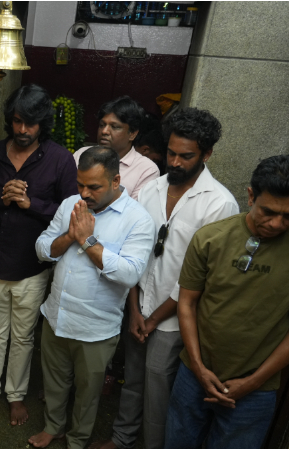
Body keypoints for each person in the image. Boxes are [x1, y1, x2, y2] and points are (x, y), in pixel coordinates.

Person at [92, 108, 239, 449]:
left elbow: (200, 278)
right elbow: (136, 252)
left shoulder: (219, 205)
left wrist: (155, 318)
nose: (174, 161)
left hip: (173, 319)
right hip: (139, 305)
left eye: (185, 156)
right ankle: (122, 439)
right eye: (171, 152)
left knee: (159, 391)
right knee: (132, 380)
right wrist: (135, 311)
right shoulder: (151, 189)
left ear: (207, 154)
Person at [165, 155, 289, 448]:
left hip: (256, 391)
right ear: (251, 195)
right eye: (268, 211)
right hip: (193, 375)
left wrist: (252, 383)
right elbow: (187, 303)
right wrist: (198, 366)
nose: (277, 223)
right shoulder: (211, 238)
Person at [29, 147, 155, 449]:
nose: (84, 194)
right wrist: (70, 236)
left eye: (93, 187)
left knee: (88, 394)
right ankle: (53, 427)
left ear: (116, 180)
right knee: (55, 383)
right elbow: (42, 248)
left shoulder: (138, 220)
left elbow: (129, 274)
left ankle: (77, 440)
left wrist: (87, 240)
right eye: (80, 184)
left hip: (95, 329)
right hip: (56, 314)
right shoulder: (71, 204)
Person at [0, 85, 78, 426]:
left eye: (30, 123)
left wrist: (32, 204)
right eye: (17, 121)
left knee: (23, 336)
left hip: (33, 268)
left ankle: (16, 395)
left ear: (42, 124)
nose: (23, 130)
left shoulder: (60, 159)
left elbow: (71, 213)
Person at [73, 96, 159, 200]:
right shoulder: (81, 154)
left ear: (132, 134)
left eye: (114, 127)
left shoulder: (146, 170)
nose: (104, 131)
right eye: (102, 125)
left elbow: (134, 211)